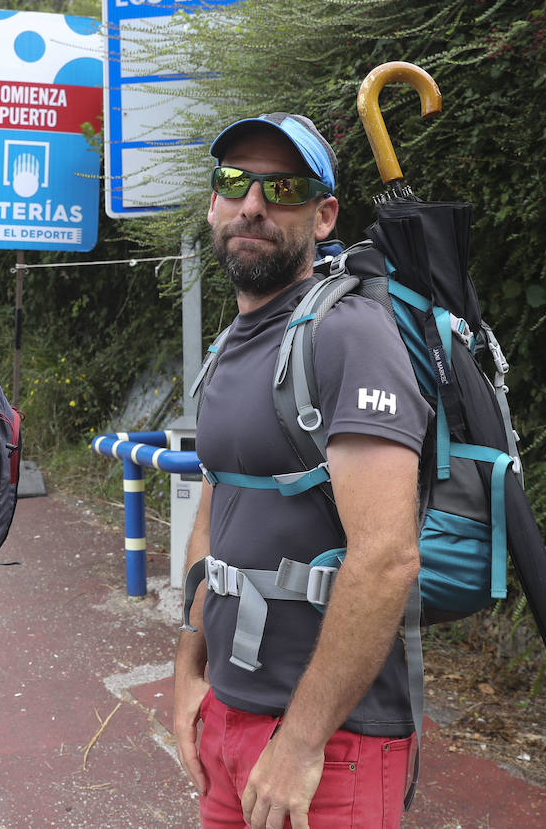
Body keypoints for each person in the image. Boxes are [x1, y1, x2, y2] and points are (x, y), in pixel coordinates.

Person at [173, 113, 432, 829]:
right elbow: (212, 517)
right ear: (213, 203)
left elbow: (386, 558)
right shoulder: (230, 344)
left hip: (330, 743)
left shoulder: (350, 335)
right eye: (235, 183)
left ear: (323, 217)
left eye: (282, 189)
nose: (252, 205)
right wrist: (188, 672)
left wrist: (300, 740)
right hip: (227, 716)